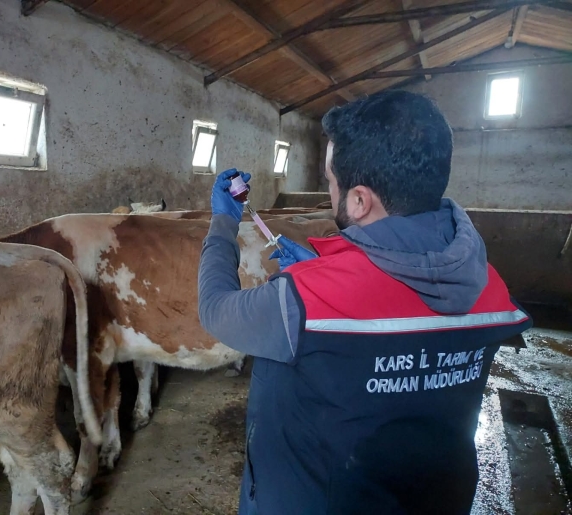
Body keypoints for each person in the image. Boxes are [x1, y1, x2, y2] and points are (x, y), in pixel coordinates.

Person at [197, 90, 532, 515]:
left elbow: (214, 308)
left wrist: (223, 221)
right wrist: (324, 267)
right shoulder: (489, 286)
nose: (330, 189)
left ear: (359, 200)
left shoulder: (305, 300)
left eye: (330, 180)